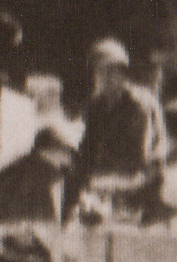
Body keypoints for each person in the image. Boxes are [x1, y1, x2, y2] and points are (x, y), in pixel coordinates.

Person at [71, 38, 166, 206]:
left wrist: (113, 182)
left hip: (139, 177)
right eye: (100, 71)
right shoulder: (94, 107)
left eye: (111, 71)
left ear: (122, 72)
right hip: (102, 179)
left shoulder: (140, 103)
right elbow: (86, 150)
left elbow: (144, 156)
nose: (105, 77)